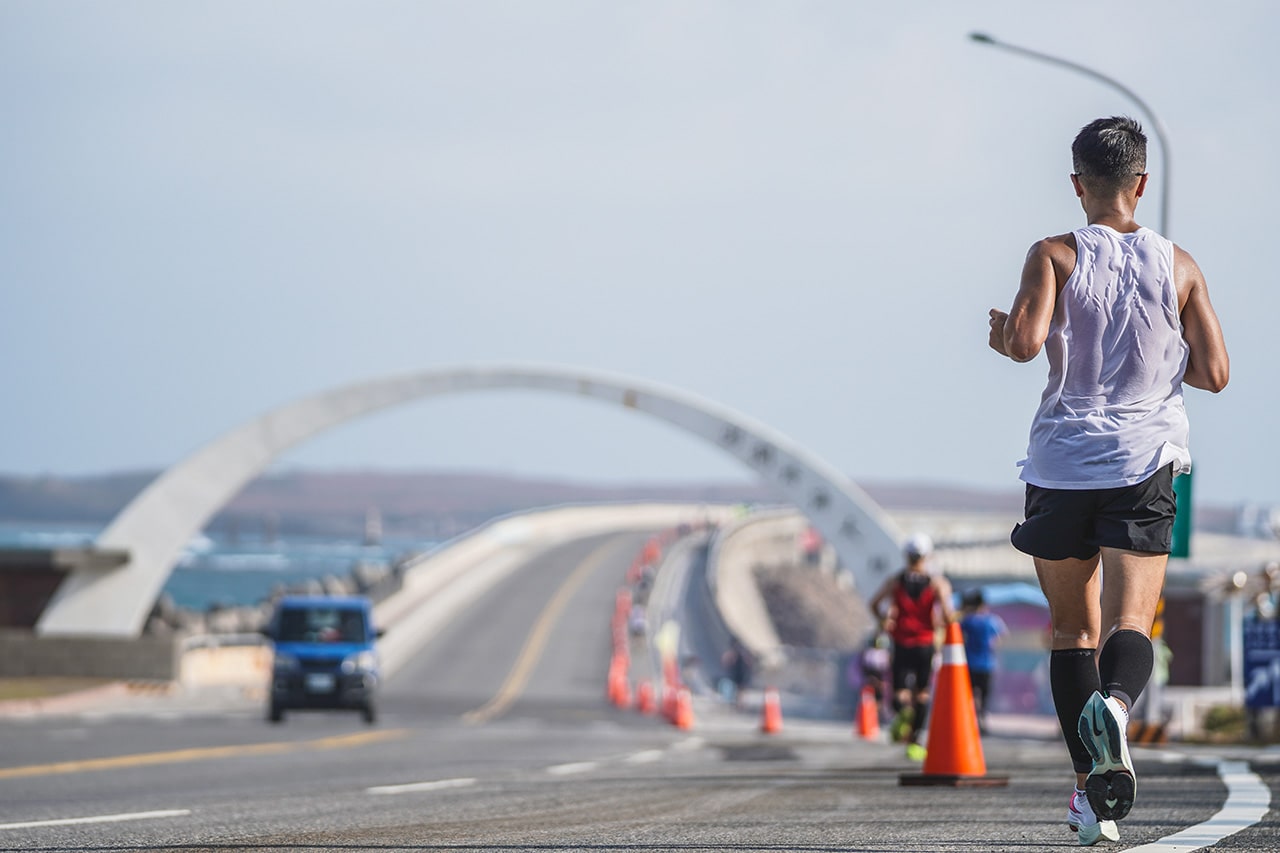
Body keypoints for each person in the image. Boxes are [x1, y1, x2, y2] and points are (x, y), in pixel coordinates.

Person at [988, 116, 1228, 846]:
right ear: (1141, 184)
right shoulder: (1180, 264)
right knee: (1130, 624)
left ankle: (1092, 797)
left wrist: (1002, 334)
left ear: (1077, 184)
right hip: (1142, 461)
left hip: (1062, 464)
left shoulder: (1054, 253)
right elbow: (1215, 373)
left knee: (1071, 631)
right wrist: (1158, 353)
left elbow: (1027, 345)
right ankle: (1120, 705)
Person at [867, 532, 955, 759]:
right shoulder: (937, 583)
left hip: (900, 641)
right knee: (923, 693)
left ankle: (903, 714)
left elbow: (874, 604)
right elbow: (947, 614)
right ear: (927, 556)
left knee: (899, 691)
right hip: (925, 643)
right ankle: (916, 741)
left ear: (906, 555)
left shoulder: (896, 581)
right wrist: (943, 624)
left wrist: (884, 620)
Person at [959, 588, 1008, 734]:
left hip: (969, 663)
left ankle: (970, 720)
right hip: (987, 664)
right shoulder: (991, 620)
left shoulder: (966, 620)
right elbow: (1002, 635)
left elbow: (959, 636)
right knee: (984, 695)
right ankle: (982, 720)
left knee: (970, 695)